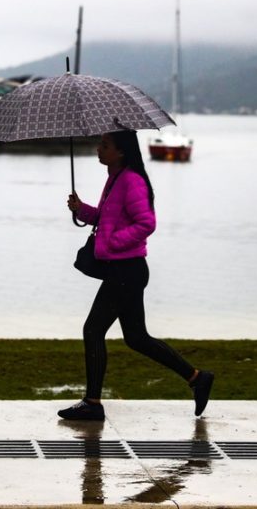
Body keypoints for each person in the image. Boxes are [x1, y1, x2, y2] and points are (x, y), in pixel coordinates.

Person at [58, 130, 214, 421]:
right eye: (100, 144)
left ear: (121, 152)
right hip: (124, 270)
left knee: (93, 330)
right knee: (136, 337)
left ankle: (93, 402)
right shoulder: (115, 178)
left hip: (126, 269)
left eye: (105, 145)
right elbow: (108, 219)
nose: (98, 149)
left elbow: (146, 223)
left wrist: (111, 244)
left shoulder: (131, 181)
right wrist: (83, 210)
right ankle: (196, 377)